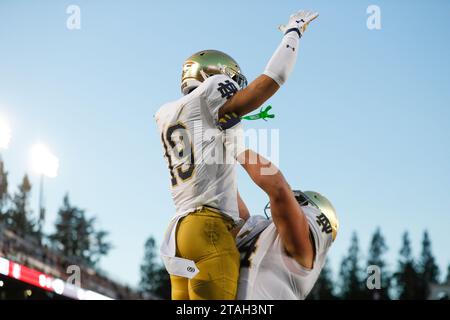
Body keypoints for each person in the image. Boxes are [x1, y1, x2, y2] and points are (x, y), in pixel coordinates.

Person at [155, 10, 319, 300]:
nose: (234, 86)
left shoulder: (168, 113)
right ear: (211, 74)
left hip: (178, 235)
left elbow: (222, 186)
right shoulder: (210, 93)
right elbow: (271, 80)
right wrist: (293, 33)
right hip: (210, 231)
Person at [234, 151, 339, 299]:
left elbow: (279, 188)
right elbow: (230, 208)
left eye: (297, 201)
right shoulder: (265, 233)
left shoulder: (303, 247)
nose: (292, 202)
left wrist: (234, 147)